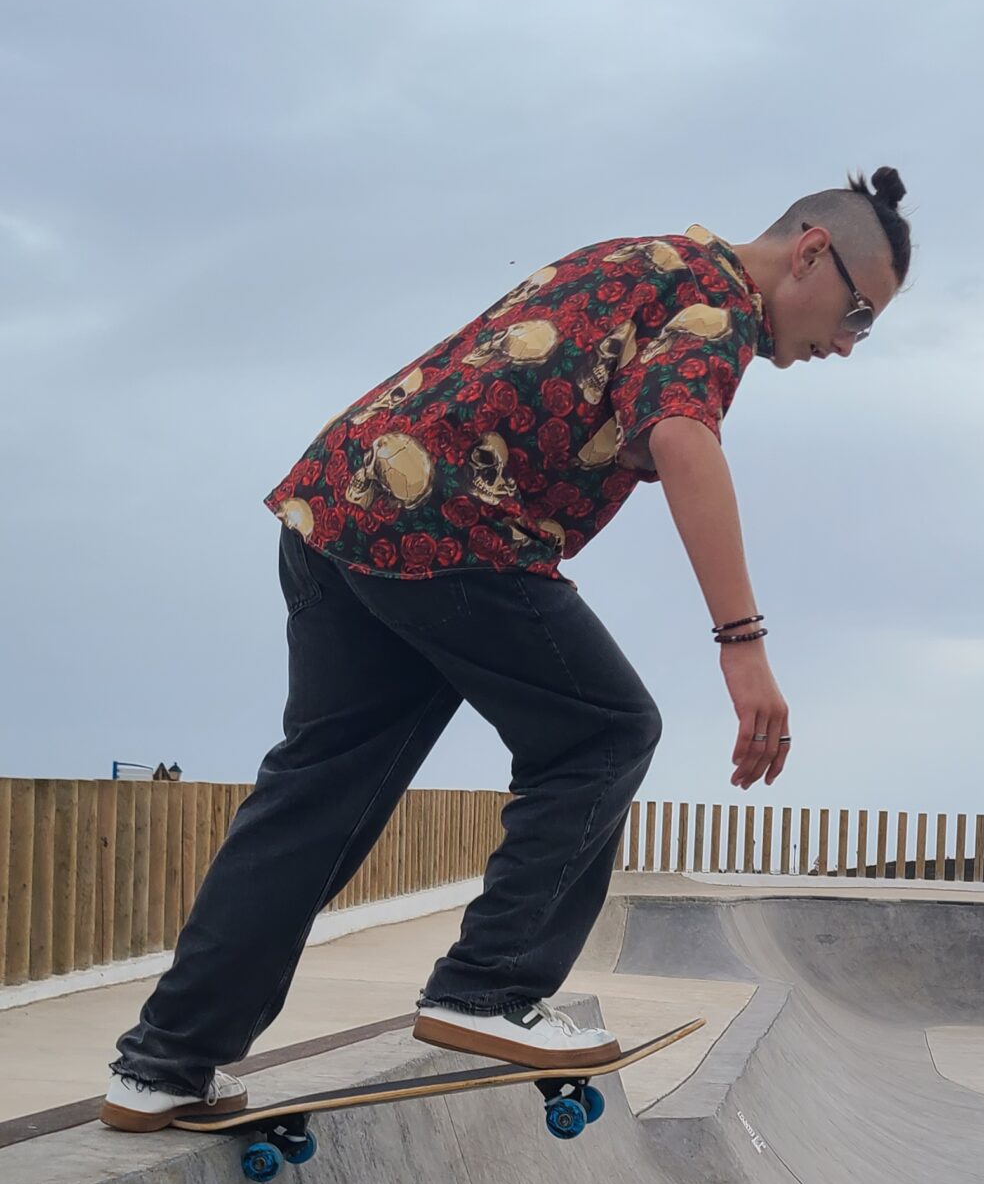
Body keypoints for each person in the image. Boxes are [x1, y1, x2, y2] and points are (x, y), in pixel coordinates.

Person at [101, 169, 911, 1130]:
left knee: (318, 791)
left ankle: (163, 1065)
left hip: (341, 499)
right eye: (856, 313)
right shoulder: (715, 303)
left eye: (869, 330)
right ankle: (485, 989)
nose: (847, 346)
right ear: (809, 250)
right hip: (450, 525)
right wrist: (742, 645)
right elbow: (686, 437)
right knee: (605, 732)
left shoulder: (640, 260)